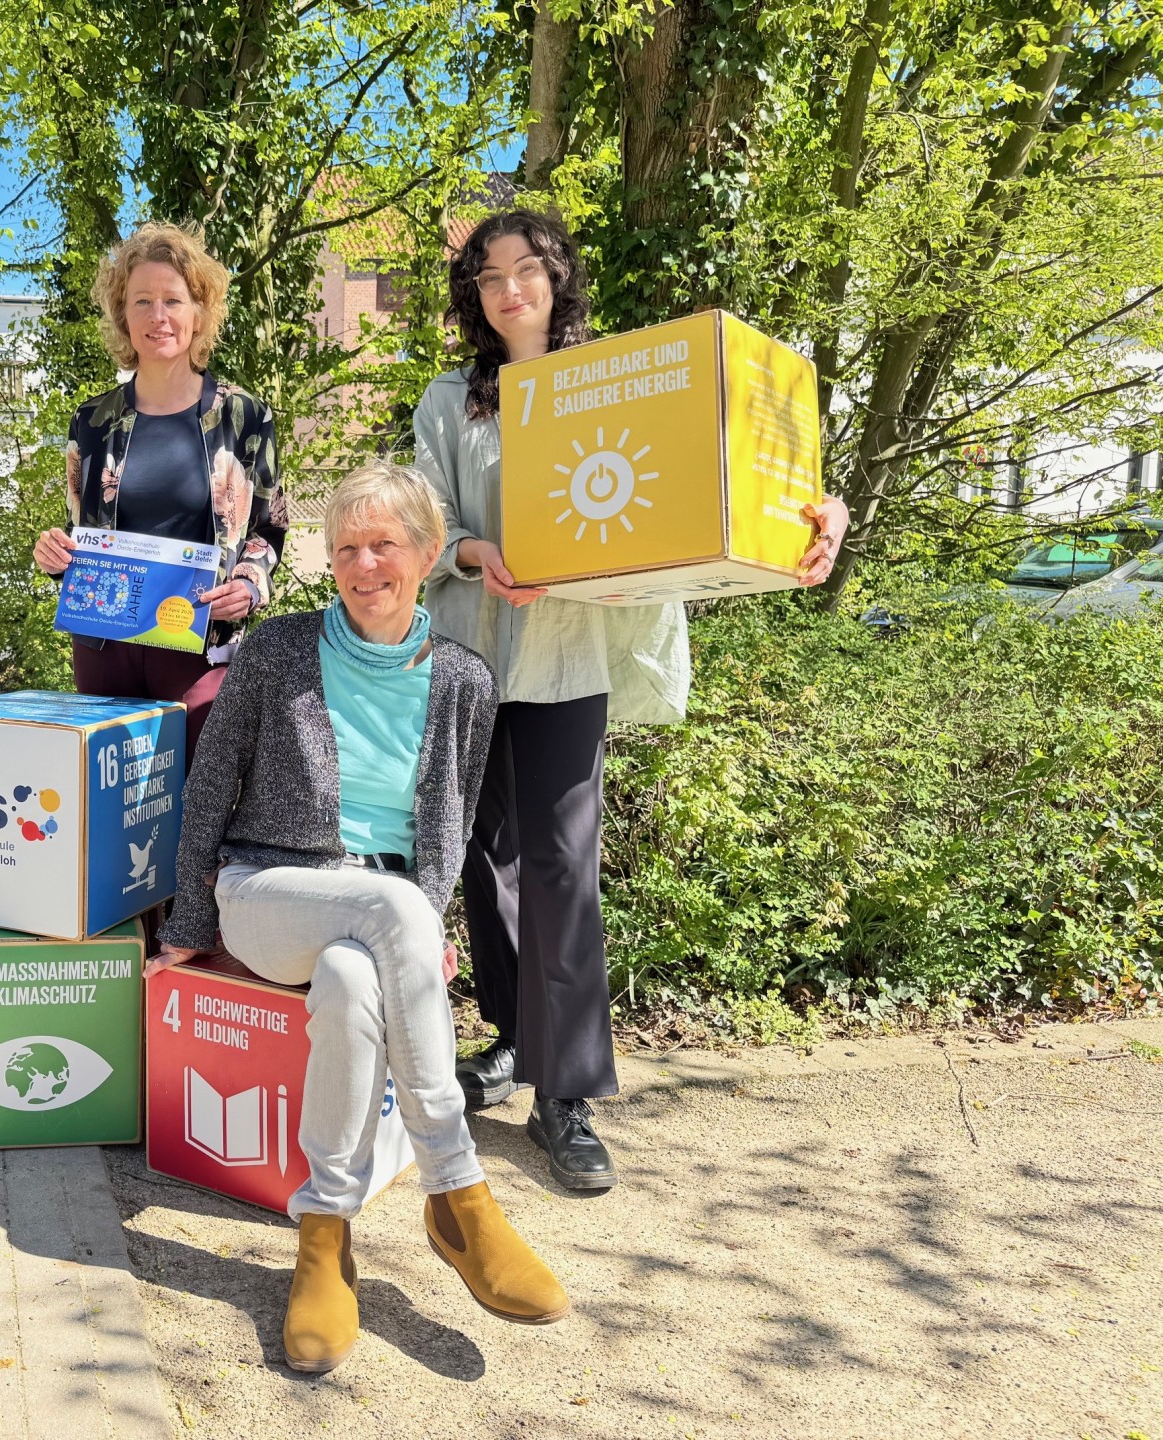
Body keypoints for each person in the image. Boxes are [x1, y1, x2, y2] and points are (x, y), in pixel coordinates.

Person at [414, 209, 851, 1190]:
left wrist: (813, 510)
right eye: (489, 275)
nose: (510, 288)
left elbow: (717, 468)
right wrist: (470, 551)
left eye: (527, 269)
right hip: (472, 657)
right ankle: (516, 1039)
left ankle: (565, 1095)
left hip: (568, 660)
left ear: (558, 277)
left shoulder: (624, 379)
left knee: (562, 865)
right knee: (484, 858)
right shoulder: (448, 402)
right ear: (474, 295)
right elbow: (424, 515)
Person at [154, 461, 569, 1374]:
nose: (363, 564)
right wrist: (186, 921)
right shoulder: (276, 651)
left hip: (380, 918)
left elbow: (449, 822)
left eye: (383, 544)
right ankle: (457, 1192)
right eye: (345, 548)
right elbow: (209, 786)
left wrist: (422, 923)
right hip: (266, 894)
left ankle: (324, 1235)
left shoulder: (463, 679)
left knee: (349, 980)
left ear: (427, 553)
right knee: (387, 912)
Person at [33, 221, 286, 756]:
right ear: (122, 315)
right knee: (108, 797)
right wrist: (57, 555)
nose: (158, 316)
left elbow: (269, 529)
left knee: (200, 796)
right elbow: (82, 532)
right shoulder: (91, 421)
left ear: (199, 312)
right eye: (142, 301)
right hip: (105, 648)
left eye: (173, 300)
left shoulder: (245, 417)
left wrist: (249, 585)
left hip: (200, 647)